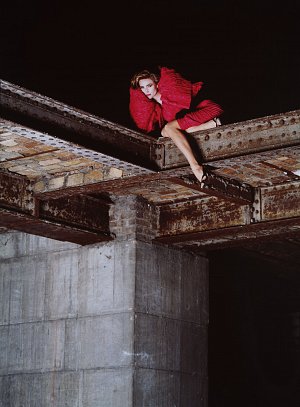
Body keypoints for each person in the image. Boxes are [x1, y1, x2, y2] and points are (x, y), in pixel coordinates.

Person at [129, 66, 223, 184]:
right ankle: (209, 125)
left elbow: (183, 114)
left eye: (149, 85)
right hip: (197, 120)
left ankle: (195, 166)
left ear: (157, 84)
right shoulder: (159, 110)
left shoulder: (170, 93)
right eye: (142, 88)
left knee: (168, 129)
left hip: (207, 110)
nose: (146, 90)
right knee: (165, 132)